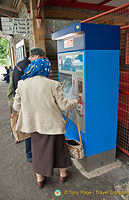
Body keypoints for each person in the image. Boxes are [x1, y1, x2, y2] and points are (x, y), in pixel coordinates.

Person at [13, 58, 79, 188]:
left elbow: (16, 106)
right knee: (59, 150)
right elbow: (64, 106)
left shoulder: (22, 84)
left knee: (38, 152)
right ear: (45, 69)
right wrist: (76, 102)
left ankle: (40, 179)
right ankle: (63, 175)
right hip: (53, 125)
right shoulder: (53, 84)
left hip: (34, 126)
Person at [12, 47, 46, 162]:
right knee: (30, 128)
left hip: (19, 98)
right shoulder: (28, 67)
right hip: (24, 101)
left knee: (29, 127)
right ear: (37, 56)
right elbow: (33, 85)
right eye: (40, 58)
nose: (40, 61)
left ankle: (31, 153)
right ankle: (30, 155)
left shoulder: (21, 63)